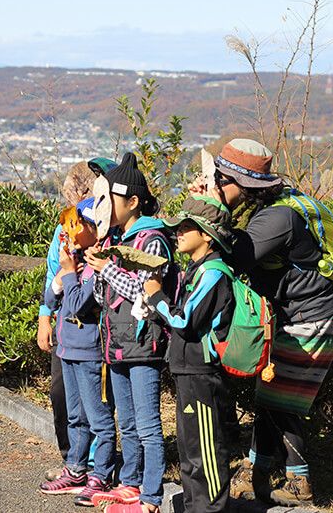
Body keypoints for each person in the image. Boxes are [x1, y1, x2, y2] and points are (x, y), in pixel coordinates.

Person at [191, 138, 333, 507]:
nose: (211, 185)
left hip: (310, 317)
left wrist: (207, 206)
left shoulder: (278, 217)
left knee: (281, 399)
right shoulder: (265, 210)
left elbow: (233, 257)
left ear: (235, 183)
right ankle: (255, 472)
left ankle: (298, 480)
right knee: (270, 396)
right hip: (293, 313)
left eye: (216, 181)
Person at [84, 152, 171, 513]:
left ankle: (150, 496)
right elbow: (103, 297)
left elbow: (145, 294)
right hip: (118, 343)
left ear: (133, 202)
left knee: (149, 425)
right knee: (128, 422)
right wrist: (96, 266)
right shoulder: (116, 240)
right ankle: (130, 484)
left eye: (110, 199)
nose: (104, 206)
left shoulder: (152, 239)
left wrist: (107, 269)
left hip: (144, 343)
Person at [143, 196, 235, 513]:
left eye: (185, 227)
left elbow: (184, 319)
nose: (178, 233)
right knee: (189, 452)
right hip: (189, 373)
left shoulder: (214, 273)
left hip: (204, 375)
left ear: (207, 235)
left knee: (206, 454)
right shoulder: (197, 271)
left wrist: (156, 297)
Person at [37, 158, 116, 480]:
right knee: (62, 394)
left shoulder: (107, 237)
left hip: (95, 336)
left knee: (97, 401)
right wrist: (45, 315)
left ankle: (97, 464)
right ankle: (73, 460)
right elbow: (53, 271)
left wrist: (69, 276)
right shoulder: (67, 225)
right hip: (65, 326)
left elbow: (83, 293)